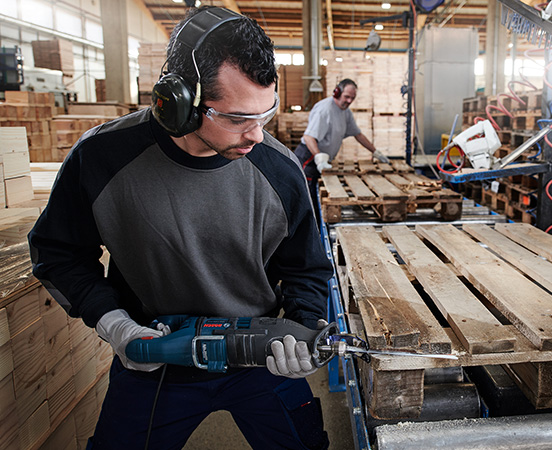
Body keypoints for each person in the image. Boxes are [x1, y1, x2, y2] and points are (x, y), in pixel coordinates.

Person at [28, 6, 332, 450]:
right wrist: (115, 324)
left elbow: (307, 268)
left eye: (264, 115)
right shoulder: (101, 159)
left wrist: (303, 331)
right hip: (156, 360)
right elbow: (57, 253)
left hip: (259, 357)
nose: (256, 135)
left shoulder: (280, 172)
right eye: (237, 118)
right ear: (179, 103)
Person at [294, 78, 390, 207]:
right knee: (308, 196)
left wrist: (376, 152)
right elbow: (308, 137)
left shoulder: (346, 112)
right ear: (337, 93)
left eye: (352, 98)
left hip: (321, 160)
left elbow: (358, 134)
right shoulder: (325, 109)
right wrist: (319, 159)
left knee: (317, 197)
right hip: (309, 158)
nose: (349, 101)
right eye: (347, 97)